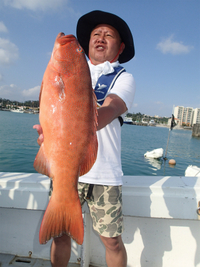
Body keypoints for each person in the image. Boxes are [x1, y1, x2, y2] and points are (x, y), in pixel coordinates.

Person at [34, 10, 135, 267]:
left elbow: (111, 109)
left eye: (109, 35)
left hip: (105, 175)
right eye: (96, 34)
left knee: (112, 241)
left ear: (120, 47)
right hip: (65, 170)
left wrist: (69, 128)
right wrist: (53, 134)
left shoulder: (124, 77)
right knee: (60, 236)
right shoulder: (75, 68)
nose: (101, 38)